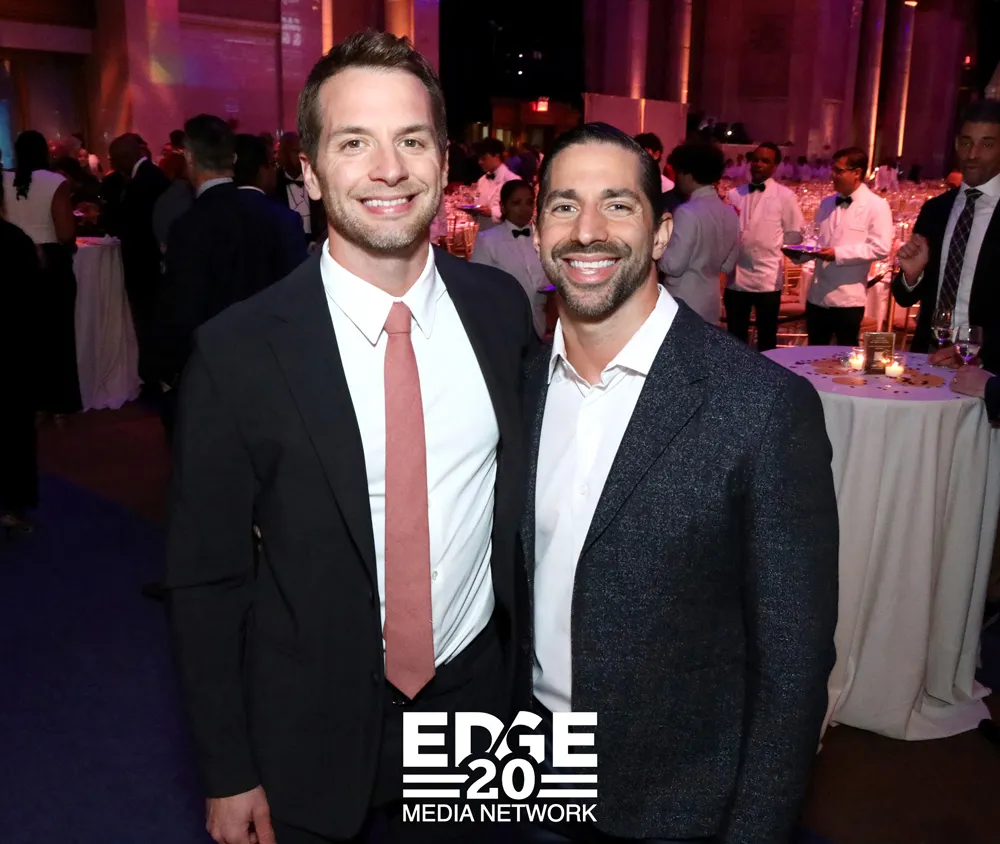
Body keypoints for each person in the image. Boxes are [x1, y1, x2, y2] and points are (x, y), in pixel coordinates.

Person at [165, 31, 536, 844]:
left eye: (412, 141)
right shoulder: (237, 351)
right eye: (354, 142)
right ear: (308, 170)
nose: (388, 169)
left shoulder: (500, 310)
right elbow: (206, 579)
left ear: (445, 160)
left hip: (478, 712)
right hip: (308, 724)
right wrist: (227, 771)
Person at [523, 122, 838, 844]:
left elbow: (792, 662)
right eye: (564, 206)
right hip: (528, 769)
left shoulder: (761, 407)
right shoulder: (519, 387)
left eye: (618, 205)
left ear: (662, 234)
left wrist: (755, 829)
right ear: (538, 233)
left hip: (678, 801)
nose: (588, 231)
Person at [151, 116, 308, 439]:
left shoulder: (189, 226)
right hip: (275, 371)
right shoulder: (282, 220)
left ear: (189, 158)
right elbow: (299, 300)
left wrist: (167, 372)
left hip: (212, 375)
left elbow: (182, 308)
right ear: (233, 159)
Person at [891, 99, 1000, 372]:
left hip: (988, 368)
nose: (972, 154)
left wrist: (980, 353)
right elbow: (904, 297)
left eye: (987, 144)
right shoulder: (935, 210)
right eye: (966, 142)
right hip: (928, 357)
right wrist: (912, 277)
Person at [2, 130, 82, 419]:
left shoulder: (4, 180)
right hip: (50, 263)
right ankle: (58, 404)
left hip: (11, 259)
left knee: (19, 335)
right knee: (57, 335)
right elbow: (65, 232)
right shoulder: (54, 181)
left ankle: (27, 401)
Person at [797, 146, 893, 346]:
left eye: (838, 171)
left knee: (845, 357)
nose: (832, 175)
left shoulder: (876, 205)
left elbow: (880, 247)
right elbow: (817, 237)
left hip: (848, 299)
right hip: (817, 295)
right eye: (832, 169)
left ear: (857, 173)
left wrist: (838, 254)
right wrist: (803, 251)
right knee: (813, 355)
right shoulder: (826, 203)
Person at [724, 142, 806, 352]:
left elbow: (795, 234)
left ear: (775, 166)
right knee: (735, 337)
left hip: (767, 277)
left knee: (766, 337)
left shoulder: (785, 196)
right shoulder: (734, 195)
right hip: (737, 276)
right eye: (756, 160)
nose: (758, 164)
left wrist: (771, 242)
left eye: (765, 161)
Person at [108, 132, 171, 383]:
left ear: (124, 157)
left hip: (145, 265)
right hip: (150, 262)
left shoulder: (145, 181)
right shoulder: (149, 175)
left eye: (113, 160)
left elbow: (136, 224)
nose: (112, 165)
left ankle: (153, 375)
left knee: (147, 320)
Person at [0, 176, 42, 538]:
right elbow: (33, 302)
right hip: (11, 351)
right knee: (14, 429)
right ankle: (13, 506)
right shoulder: (16, 241)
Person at [658, 141, 739, 323]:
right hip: (711, 301)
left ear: (688, 174)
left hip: (683, 302)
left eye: (678, 172)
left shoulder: (687, 212)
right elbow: (727, 265)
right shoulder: (729, 212)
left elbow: (673, 266)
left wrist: (657, 246)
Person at [470, 178, 548, 337]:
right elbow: (479, 287)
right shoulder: (488, 240)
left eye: (529, 202)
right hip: (505, 324)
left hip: (542, 323)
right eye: (516, 203)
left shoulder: (544, 237)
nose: (524, 208)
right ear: (503, 207)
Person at [276, 131, 328, 246]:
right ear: (284, 153)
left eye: (303, 151)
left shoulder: (314, 179)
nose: (301, 156)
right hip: (286, 244)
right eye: (295, 152)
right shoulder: (275, 183)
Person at [473, 137, 518, 225]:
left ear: (497, 155)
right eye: (479, 158)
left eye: (484, 158)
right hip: (481, 229)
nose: (480, 162)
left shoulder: (513, 181)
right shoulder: (482, 180)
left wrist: (492, 212)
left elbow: (516, 212)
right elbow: (477, 201)